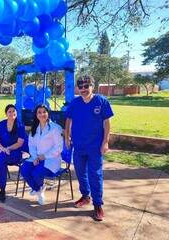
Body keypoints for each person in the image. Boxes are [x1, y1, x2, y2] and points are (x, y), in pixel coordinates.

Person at [64, 75, 114, 222]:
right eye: (81, 87)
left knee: (95, 174)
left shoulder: (101, 101)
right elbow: (68, 120)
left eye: (87, 86)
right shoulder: (75, 103)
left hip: (95, 147)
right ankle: (86, 196)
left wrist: (105, 142)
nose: (84, 89)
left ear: (93, 86)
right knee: (80, 173)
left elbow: (107, 123)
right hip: (79, 146)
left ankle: (98, 204)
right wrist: (66, 137)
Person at [21, 104, 63, 205]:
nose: (42, 114)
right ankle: (38, 189)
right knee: (24, 169)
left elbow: (59, 147)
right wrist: (35, 157)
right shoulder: (34, 128)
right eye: (39, 112)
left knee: (36, 173)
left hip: (51, 159)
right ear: (36, 115)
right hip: (37, 158)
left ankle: (38, 191)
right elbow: (31, 145)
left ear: (48, 113)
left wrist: (44, 156)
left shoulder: (55, 128)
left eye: (44, 112)